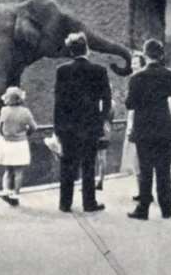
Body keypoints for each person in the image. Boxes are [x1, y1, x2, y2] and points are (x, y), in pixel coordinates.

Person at [54, 32, 111, 213]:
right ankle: (89, 202)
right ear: (87, 48)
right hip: (90, 124)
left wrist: (57, 127)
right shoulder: (99, 71)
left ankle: (65, 203)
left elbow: (58, 101)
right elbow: (107, 99)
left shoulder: (61, 70)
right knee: (88, 164)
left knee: (67, 165)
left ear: (71, 51)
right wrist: (101, 119)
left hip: (67, 125)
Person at [126, 39, 171, 220]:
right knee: (164, 170)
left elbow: (130, 103)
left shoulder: (137, 78)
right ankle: (166, 208)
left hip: (144, 128)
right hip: (163, 127)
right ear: (161, 55)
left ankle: (143, 208)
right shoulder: (169, 75)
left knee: (146, 170)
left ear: (145, 54)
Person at [0, 86, 38, 206]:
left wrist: (4, 135)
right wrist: (26, 133)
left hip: (7, 143)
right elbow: (34, 127)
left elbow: (0, 127)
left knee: (8, 170)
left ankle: (6, 191)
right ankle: (15, 195)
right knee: (19, 171)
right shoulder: (25, 112)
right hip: (20, 143)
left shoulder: (4, 111)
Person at [121, 51, 146, 200]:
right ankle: (142, 191)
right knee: (138, 159)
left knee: (139, 158)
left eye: (136, 63)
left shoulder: (137, 79)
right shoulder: (135, 79)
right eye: (132, 63)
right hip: (135, 118)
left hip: (138, 120)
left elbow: (131, 104)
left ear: (142, 64)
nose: (132, 65)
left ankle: (144, 192)